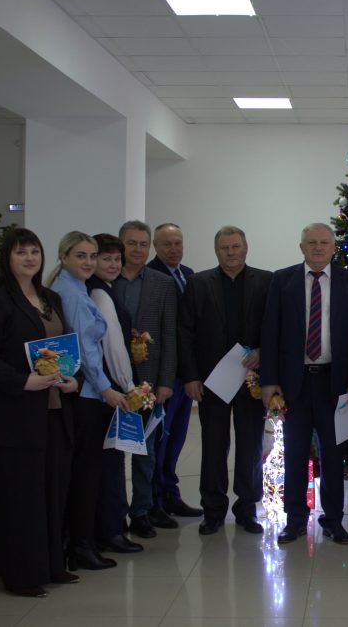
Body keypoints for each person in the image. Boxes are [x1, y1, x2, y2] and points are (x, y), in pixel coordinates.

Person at [0, 228, 79, 597]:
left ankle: (51, 564)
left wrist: (71, 377)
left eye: (34, 251)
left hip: (53, 408)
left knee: (52, 489)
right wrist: (22, 382)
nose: (30, 258)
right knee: (21, 496)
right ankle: (21, 574)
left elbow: (61, 348)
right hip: (14, 413)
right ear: (7, 257)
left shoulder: (49, 297)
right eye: (21, 252)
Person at [260, 223, 348, 545]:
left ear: (334, 247)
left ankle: (333, 520)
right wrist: (269, 381)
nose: (318, 247)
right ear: (302, 247)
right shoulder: (283, 280)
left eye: (324, 242)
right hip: (294, 383)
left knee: (333, 454)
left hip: (335, 384)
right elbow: (270, 332)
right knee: (294, 452)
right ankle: (295, 519)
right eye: (312, 243)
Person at [179, 226, 272, 535]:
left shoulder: (266, 281)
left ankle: (247, 509)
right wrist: (191, 376)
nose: (231, 252)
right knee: (213, 446)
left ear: (245, 248)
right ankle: (213, 511)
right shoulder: (198, 283)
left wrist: (262, 351)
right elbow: (186, 333)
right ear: (216, 250)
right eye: (224, 248)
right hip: (211, 381)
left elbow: (276, 327)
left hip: (251, 379)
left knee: (250, 446)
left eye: (235, 246)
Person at [48, 232, 128, 572]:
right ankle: (81, 545)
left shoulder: (76, 288)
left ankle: (83, 541)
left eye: (92, 256)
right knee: (85, 473)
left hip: (85, 390)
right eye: (81, 255)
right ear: (64, 256)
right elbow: (86, 349)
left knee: (87, 472)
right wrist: (107, 388)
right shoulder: (71, 293)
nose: (89, 262)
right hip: (86, 395)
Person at [114, 220, 179, 538]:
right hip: (112, 380)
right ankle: (113, 513)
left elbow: (169, 334)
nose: (138, 249)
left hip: (149, 381)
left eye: (143, 244)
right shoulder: (105, 279)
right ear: (121, 245)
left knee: (146, 450)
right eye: (132, 243)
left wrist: (166, 381)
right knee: (112, 451)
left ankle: (141, 511)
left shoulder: (162, 283)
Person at [87, 233, 143, 556]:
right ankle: (111, 531)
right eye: (105, 258)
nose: (112, 264)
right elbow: (112, 346)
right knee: (109, 464)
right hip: (108, 391)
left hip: (105, 389)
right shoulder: (99, 294)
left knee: (108, 463)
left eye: (116, 259)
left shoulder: (102, 289)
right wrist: (129, 386)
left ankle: (109, 527)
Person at [147, 222, 202, 519]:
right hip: (164, 377)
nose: (173, 249)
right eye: (166, 244)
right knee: (160, 439)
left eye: (177, 243)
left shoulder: (189, 275)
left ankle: (170, 492)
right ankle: (154, 500)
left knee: (177, 438)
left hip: (185, 375)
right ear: (155, 247)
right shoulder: (150, 277)